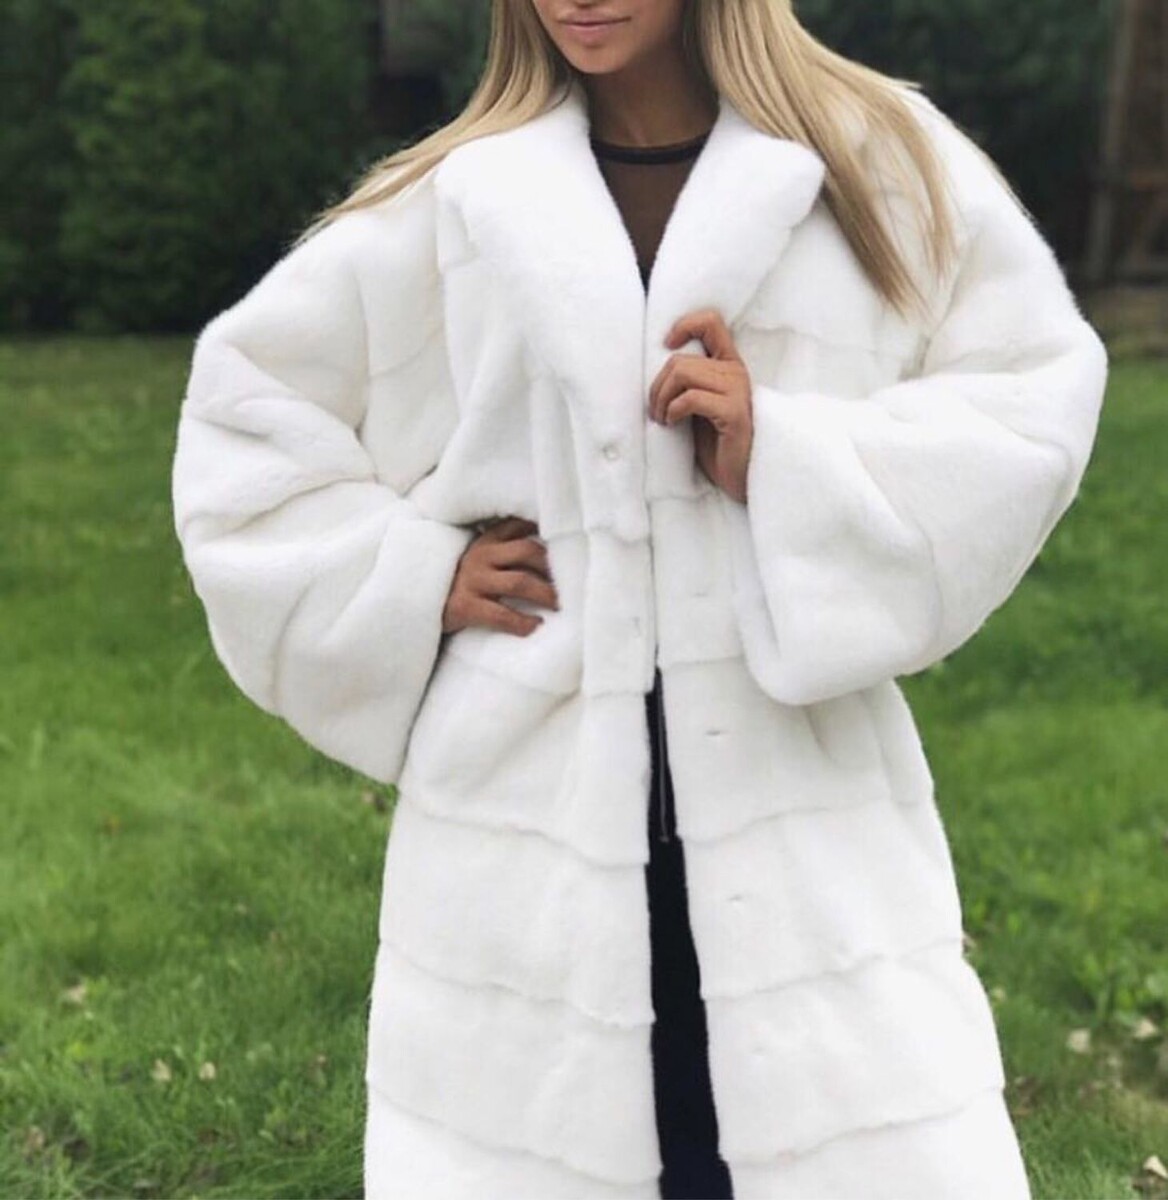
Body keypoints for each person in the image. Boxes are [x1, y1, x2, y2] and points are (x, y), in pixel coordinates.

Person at [170, 1, 1109, 1197]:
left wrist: (785, 458)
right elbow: (247, 429)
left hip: (799, 804)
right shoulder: (454, 199)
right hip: (523, 821)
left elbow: (1028, 398)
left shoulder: (875, 160)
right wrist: (410, 577)